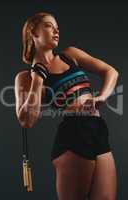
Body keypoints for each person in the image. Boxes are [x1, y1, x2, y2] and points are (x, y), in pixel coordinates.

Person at [14, 12, 119, 200]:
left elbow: (110, 71)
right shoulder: (24, 78)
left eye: (57, 27)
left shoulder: (71, 55)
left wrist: (102, 96)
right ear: (33, 32)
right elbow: (26, 121)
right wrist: (37, 79)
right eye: (48, 25)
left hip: (98, 128)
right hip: (73, 134)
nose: (56, 30)